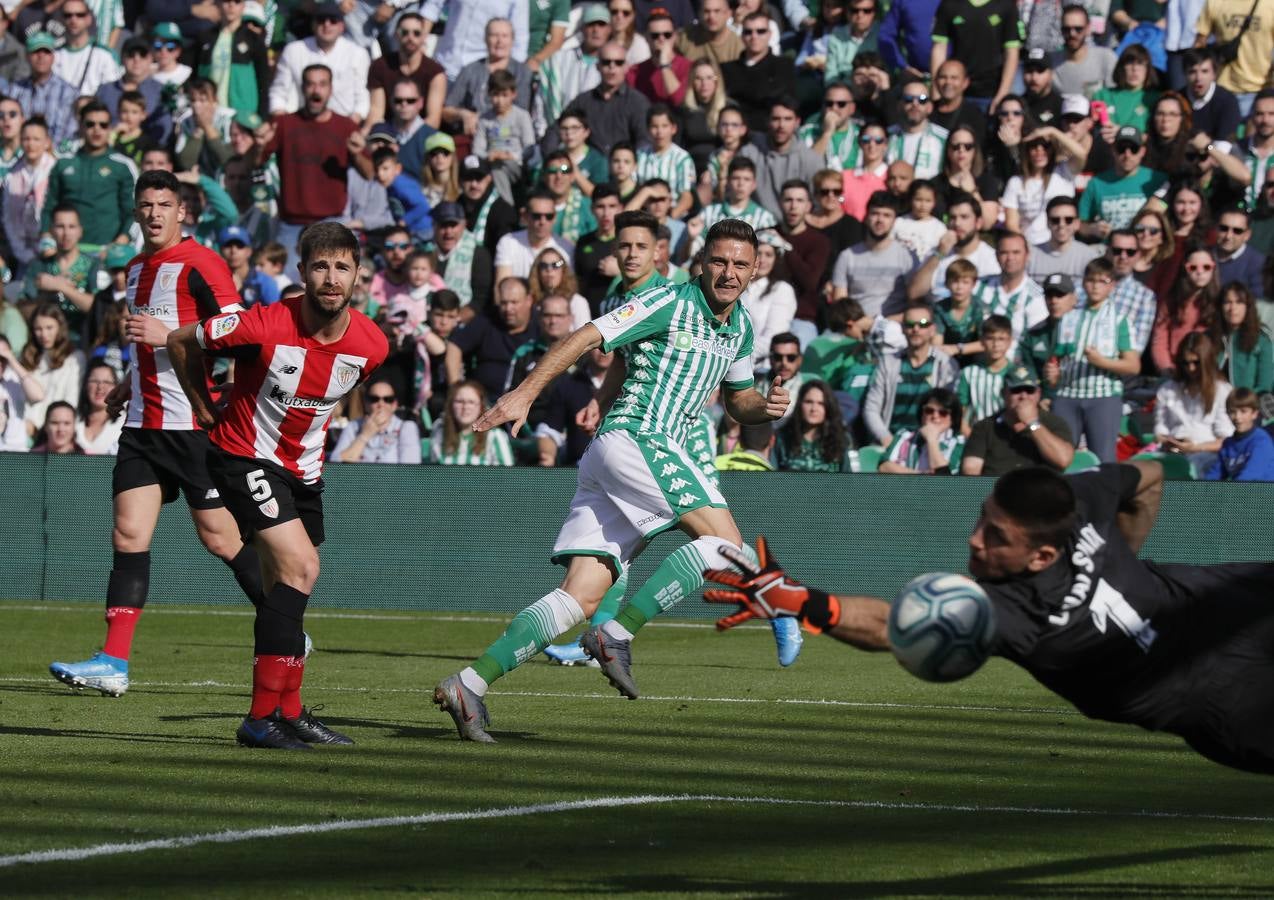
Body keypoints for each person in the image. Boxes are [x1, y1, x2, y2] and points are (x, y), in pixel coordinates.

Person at [433, 218, 791, 742]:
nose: (729, 272)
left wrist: (767, 407)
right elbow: (587, 334)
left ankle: (470, 685)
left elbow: (739, 401)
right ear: (700, 262)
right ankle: (616, 634)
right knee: (728, 548)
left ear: (756, 269)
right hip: (639, 439)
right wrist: (526, 392)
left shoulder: (740, 328)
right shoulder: (668, 301)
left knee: (578, 597)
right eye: (719, 260)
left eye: (740, 263)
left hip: (621, 457)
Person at [704, 460, 1274, 776]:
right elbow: (1146, 478)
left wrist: (1122, 558)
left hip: (1230, 619)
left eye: (996, 537)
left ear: (1043, 555)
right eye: (982, 519)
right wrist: (1123, 558)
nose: (975, 542)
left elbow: (887, 626)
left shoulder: (1013, 613)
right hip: (1216, 691)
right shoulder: (1070, 505)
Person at [45, 170, 273, 701]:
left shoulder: (203, 264)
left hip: (192, 425)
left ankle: (283, 626)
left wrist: (167, 337)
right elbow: (150, 347)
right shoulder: (134, 268)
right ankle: (113, 661)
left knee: (220, 538)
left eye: (163, 204)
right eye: (145, 204)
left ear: (182, 212)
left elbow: (240, 338)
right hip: (143, 426)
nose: (153, 214)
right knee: (128, 536)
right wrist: (130, 382)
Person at [166, 221, 388, 749]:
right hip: (243, 456)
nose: (331, 279)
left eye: (341, 267)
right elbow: (180, 339)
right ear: (301, 272)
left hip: (304, 471)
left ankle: (289, 712)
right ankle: (259, 718)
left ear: (358, 275)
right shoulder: (261, 323)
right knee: (301, 567)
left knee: (287, 586)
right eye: (320, 266)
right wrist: (202, 405)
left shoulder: (372, 346)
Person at [252, 64, 371, 274]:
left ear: (331, 89)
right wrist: (260, 145)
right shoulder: (284, 124)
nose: (316, 90)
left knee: (333, 285)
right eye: (311, 84)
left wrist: (357, 154)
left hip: (332, 222)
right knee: (287, 286)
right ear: (302, 88)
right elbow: (255, 163)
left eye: (322, 84)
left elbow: (369, 173)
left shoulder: (346, 126)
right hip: (291, 225)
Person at [1045, 257, 1141, 463]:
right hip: (1067, 395)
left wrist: (1101, 361)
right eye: (1090, 280)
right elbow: (1056, 360)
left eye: (1102, 281)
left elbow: (1133, 365)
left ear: (1112, 285)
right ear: (1083, 283)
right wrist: (1052, 375)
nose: (1095, 286)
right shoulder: (1068, 318)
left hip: (1103, 396)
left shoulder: (1119, 320)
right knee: (1060, 458)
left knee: (1103, 459)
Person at [40, 101, 136, 250]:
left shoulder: (123, 165)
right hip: (65, 251)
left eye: (103, 125)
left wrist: (122, 240)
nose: (97, 130)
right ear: (81, 126)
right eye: (90, 124)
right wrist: (46, 236)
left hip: (105, 252)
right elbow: (49, 206)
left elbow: (133, 212)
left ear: (110, 128)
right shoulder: (64, 162)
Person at [862, 300, 958, 447]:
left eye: (923, 324)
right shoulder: (889, 362)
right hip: (891, 441)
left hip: (929, 444)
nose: (916, 329)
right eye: (910, 324)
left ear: (933, 329)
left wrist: (932, 441)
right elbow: (871, 408)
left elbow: (949, 410)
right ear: (902, 329)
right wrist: (886, 439)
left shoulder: (945, 364)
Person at [961, 366, 1075, 475]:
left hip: (1041, 491)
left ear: (1038, 394)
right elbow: (970, 470)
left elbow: (1063, 460)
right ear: (1003, 394)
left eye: (1029, 390)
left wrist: (1033, 423)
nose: (1023, 396)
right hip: (999, 491)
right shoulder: (985, 427)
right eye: (1016, 390)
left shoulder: (1054, 423)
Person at [268, 4, 371, 123]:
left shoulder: (358, 54)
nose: (327, 25)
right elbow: (278, 92)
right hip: (300, 124)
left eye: (333, 20)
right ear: (313, 25)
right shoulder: (293, 50)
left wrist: (350, 125)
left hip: (343, 124)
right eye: (321, 20)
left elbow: (362, 97)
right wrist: (283, 124)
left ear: (342, 26)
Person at [446, 275, 542, 400]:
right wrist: (456, 391)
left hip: (528, 402)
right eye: (504, 303)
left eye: (514, 302)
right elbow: (455, 346)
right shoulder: (487, 319)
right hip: (484, 403)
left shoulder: (541, 324)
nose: (508, 309)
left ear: (529, 300)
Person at [1154, 331, 1234, 474]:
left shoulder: (1222, 391)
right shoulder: (1167, 389)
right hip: (1173, 452)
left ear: (1206, 362)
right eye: (1186, 363)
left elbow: (1227, 440)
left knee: (1190, 467)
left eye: (1196, 363)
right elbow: (1160, 429)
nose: (1191, 368)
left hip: (1207, 454)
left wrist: (1194, 447)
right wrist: (1170, 442)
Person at [830, 190, 915, 317]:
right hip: (856, 326)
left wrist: (885, 323)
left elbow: (914, 301)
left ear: (894, 220)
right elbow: (840, 302)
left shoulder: (906, 256)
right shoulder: (847, 256)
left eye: (887, 215)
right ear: (866, 217)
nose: (880, 220)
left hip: (895, 326)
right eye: (875, 214)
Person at [929, 0, 1021, 111]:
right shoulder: (949, 4)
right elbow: (939, 48)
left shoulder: (1006, 5)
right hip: (956, 92)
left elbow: (1012, 51)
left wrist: (1003, 93)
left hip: (991, 93)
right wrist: (935, 89)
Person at [1078, 126, 1167, 236]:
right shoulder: (1096, 183)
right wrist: (1093, 229)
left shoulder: (1157, 179)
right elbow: (1080, 224)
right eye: (1121, 148)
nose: (1127, 155)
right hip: (1111, 249)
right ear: (1113, 150)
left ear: (1143, 151)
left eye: (1134, 149)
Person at [1193, 0, 1274, 117]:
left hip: (1259, 91)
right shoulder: (1214, 2)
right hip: (1222, 89)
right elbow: (1199, 45)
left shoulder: (1270, 4)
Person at [720, 11, 794, 133]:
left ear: (770, 35)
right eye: (748, 32)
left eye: (761, 31)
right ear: (742, 36)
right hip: (736, 134)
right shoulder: (727, 69)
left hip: (770, 134)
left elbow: (786, 101)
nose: (754, 36)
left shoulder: (784, 65)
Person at [2, 33, 79, 147]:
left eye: (46, 52)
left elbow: (70, 134)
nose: (41, 56)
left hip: (56, 155)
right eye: (35, 52)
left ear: (53, 57)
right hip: (18, 155)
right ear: (27, 56)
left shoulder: (69, 93)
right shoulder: (13, 90)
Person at [1002, 130, 1078, 246]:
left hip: (1064, 245)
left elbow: (1081, 154)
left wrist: (1054, 132)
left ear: (1052, 149)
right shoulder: (1016, 182)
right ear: (1027, 151)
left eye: (1045, 146)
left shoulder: (1064, 171)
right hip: (1032, 246)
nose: (1039, 151)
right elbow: (1011, 224)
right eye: (1033, 147)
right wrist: (1027, 248)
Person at [1152, 245, 1219, 376]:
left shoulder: (1219, 301)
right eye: (1193, 268)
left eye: (1206, 267)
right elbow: (1160, 338)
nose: (1200, 272)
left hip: (1208, 371)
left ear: (1213, 269)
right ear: (1185, 269)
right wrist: (1166, 367)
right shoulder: (1172, 300)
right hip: (1175, 367)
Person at [20, 303, 85, 435]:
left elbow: (71, 400)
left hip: (58, 431)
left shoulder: (75, 358)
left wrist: (46, 426)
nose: (44, 334)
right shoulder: (28, 356)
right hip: (26, 428)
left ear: (60, 328)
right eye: (38, 329)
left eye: (49, 328)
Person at [332, 375, 422, 464]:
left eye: (387, 399)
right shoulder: (354, 426)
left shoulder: (406, 427)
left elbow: (410, 468)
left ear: (394, 405)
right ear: (366, 404)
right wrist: (364, 435)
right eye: (374, 399)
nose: (381, 404)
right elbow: (335, 463)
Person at [879, 386, 964, 474]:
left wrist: (932, 440)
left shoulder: (960, 445)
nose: (935, 416)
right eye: (929, 411)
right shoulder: (905, 435)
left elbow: (945, 479)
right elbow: (884, 467)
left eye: (943, 413)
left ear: (953, 418)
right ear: (922, 413)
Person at [774, 378, 852, 472]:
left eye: (821, 403)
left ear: (828, 407)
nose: (814, 409)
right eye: (809, 402)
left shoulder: (841, 440)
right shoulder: (781, 439)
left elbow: (848, 480)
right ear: (800, 404)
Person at [1103, 228, 1159, 355]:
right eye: (1117, 251)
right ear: (1107, 251)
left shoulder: (1145, 297)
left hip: (1117, 369)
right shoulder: (1084, 287)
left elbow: (1137, 348)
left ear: (1138, 255)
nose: (1123, 257)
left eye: (1130, 252)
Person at [955, 315, 1014, 429]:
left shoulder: (1016, 373)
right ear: (982, 340)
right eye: (990, 338)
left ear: (1010, 341)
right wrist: (969, 435)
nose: (996, 344)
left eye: (1001, 339)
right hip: (975, 435)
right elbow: (961, 410)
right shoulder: (968, 373)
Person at [1203, 388, 1274, 481]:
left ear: (1254, 414)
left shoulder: (1262, 441)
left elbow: (1250, 478)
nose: (1237, 417)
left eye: (1243, 411)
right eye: (1232, 412)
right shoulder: (1227, 444)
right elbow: (1215, 474)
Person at [1216, 282, 1273, 394]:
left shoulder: (1261, 339)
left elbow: (1265, 385)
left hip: (1248, 405)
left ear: (1248, 306)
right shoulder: (1211, 337)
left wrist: (1243, 402)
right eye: (1227, 302)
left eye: (1239, 302)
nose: (1233, 308)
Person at [886, 80, 948, 182]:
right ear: (899, 105)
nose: (915, 104)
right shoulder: (885, 137)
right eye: (908, 99)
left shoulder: (944, 139)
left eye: (922, 100)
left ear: (930, 107)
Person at [1092, 43, 1160, 133]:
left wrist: (1121, 132)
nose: (1134, 68)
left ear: (1148, 69)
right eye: (1129, 63)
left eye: (1140, 63)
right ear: (1121, 67)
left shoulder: (1154, 99)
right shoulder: (1102, 95)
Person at [1182, 47, 1241, 141]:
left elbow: (1224, 145)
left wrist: (1207, 147)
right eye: (1192, 72)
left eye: (1204, 71)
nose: (1198, 78)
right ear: (1185, 74)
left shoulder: (1227, 101)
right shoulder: (1176, 100)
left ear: (1214, 74)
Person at [675, 0, 743, 68]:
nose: (711, 16)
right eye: (706, 11)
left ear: (728, 14)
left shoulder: (738, 46)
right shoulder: (685, 37)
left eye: (717, 11)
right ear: (699, 13)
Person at [1215, 207, 1266, 298]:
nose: (1228, 236)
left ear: (1247, 235)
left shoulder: (1258, 263)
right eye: (1223, 228)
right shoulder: (1203, 256)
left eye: (1237, 231)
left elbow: (1259, 303)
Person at [74, 360, 122, 455]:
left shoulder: (125, 423)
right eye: (94, 381)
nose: (100, 387)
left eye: (107, 382)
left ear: (116, 387)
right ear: (86, 385)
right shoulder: (72, 420)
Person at [1021, 48, 1062, 126]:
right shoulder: (1015, 107)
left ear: (1051, 74)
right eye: (1029, 71)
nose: (1034, 77)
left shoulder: (1062, 107)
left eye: (1040, 71)